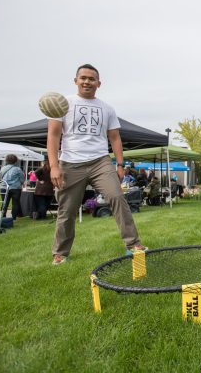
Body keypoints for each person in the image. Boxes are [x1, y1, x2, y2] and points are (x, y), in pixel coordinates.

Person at [47, 63, 147, 266]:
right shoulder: (62, 104)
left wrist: (120, 165)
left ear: (99, 83)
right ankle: (60, 253)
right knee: (67, 210)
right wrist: (54, 166)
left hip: (100, 161)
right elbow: (53, 134)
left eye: (91, 79)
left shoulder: (107, 108)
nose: (87, 81)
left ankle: (133, 245)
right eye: (83, 78)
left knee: (117, 197)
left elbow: (115, 138)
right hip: (70, 163)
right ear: (75, 81)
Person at [0, 154, 25, 220]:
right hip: (15, 188)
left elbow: (1, 177)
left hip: (4, 188)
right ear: (15, 161)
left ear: (6, 160)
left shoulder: (3, 168)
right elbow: (22, 179)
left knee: (4, 203)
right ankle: (13, 218)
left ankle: (3, 217)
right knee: (15, 203)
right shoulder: (18, 169)